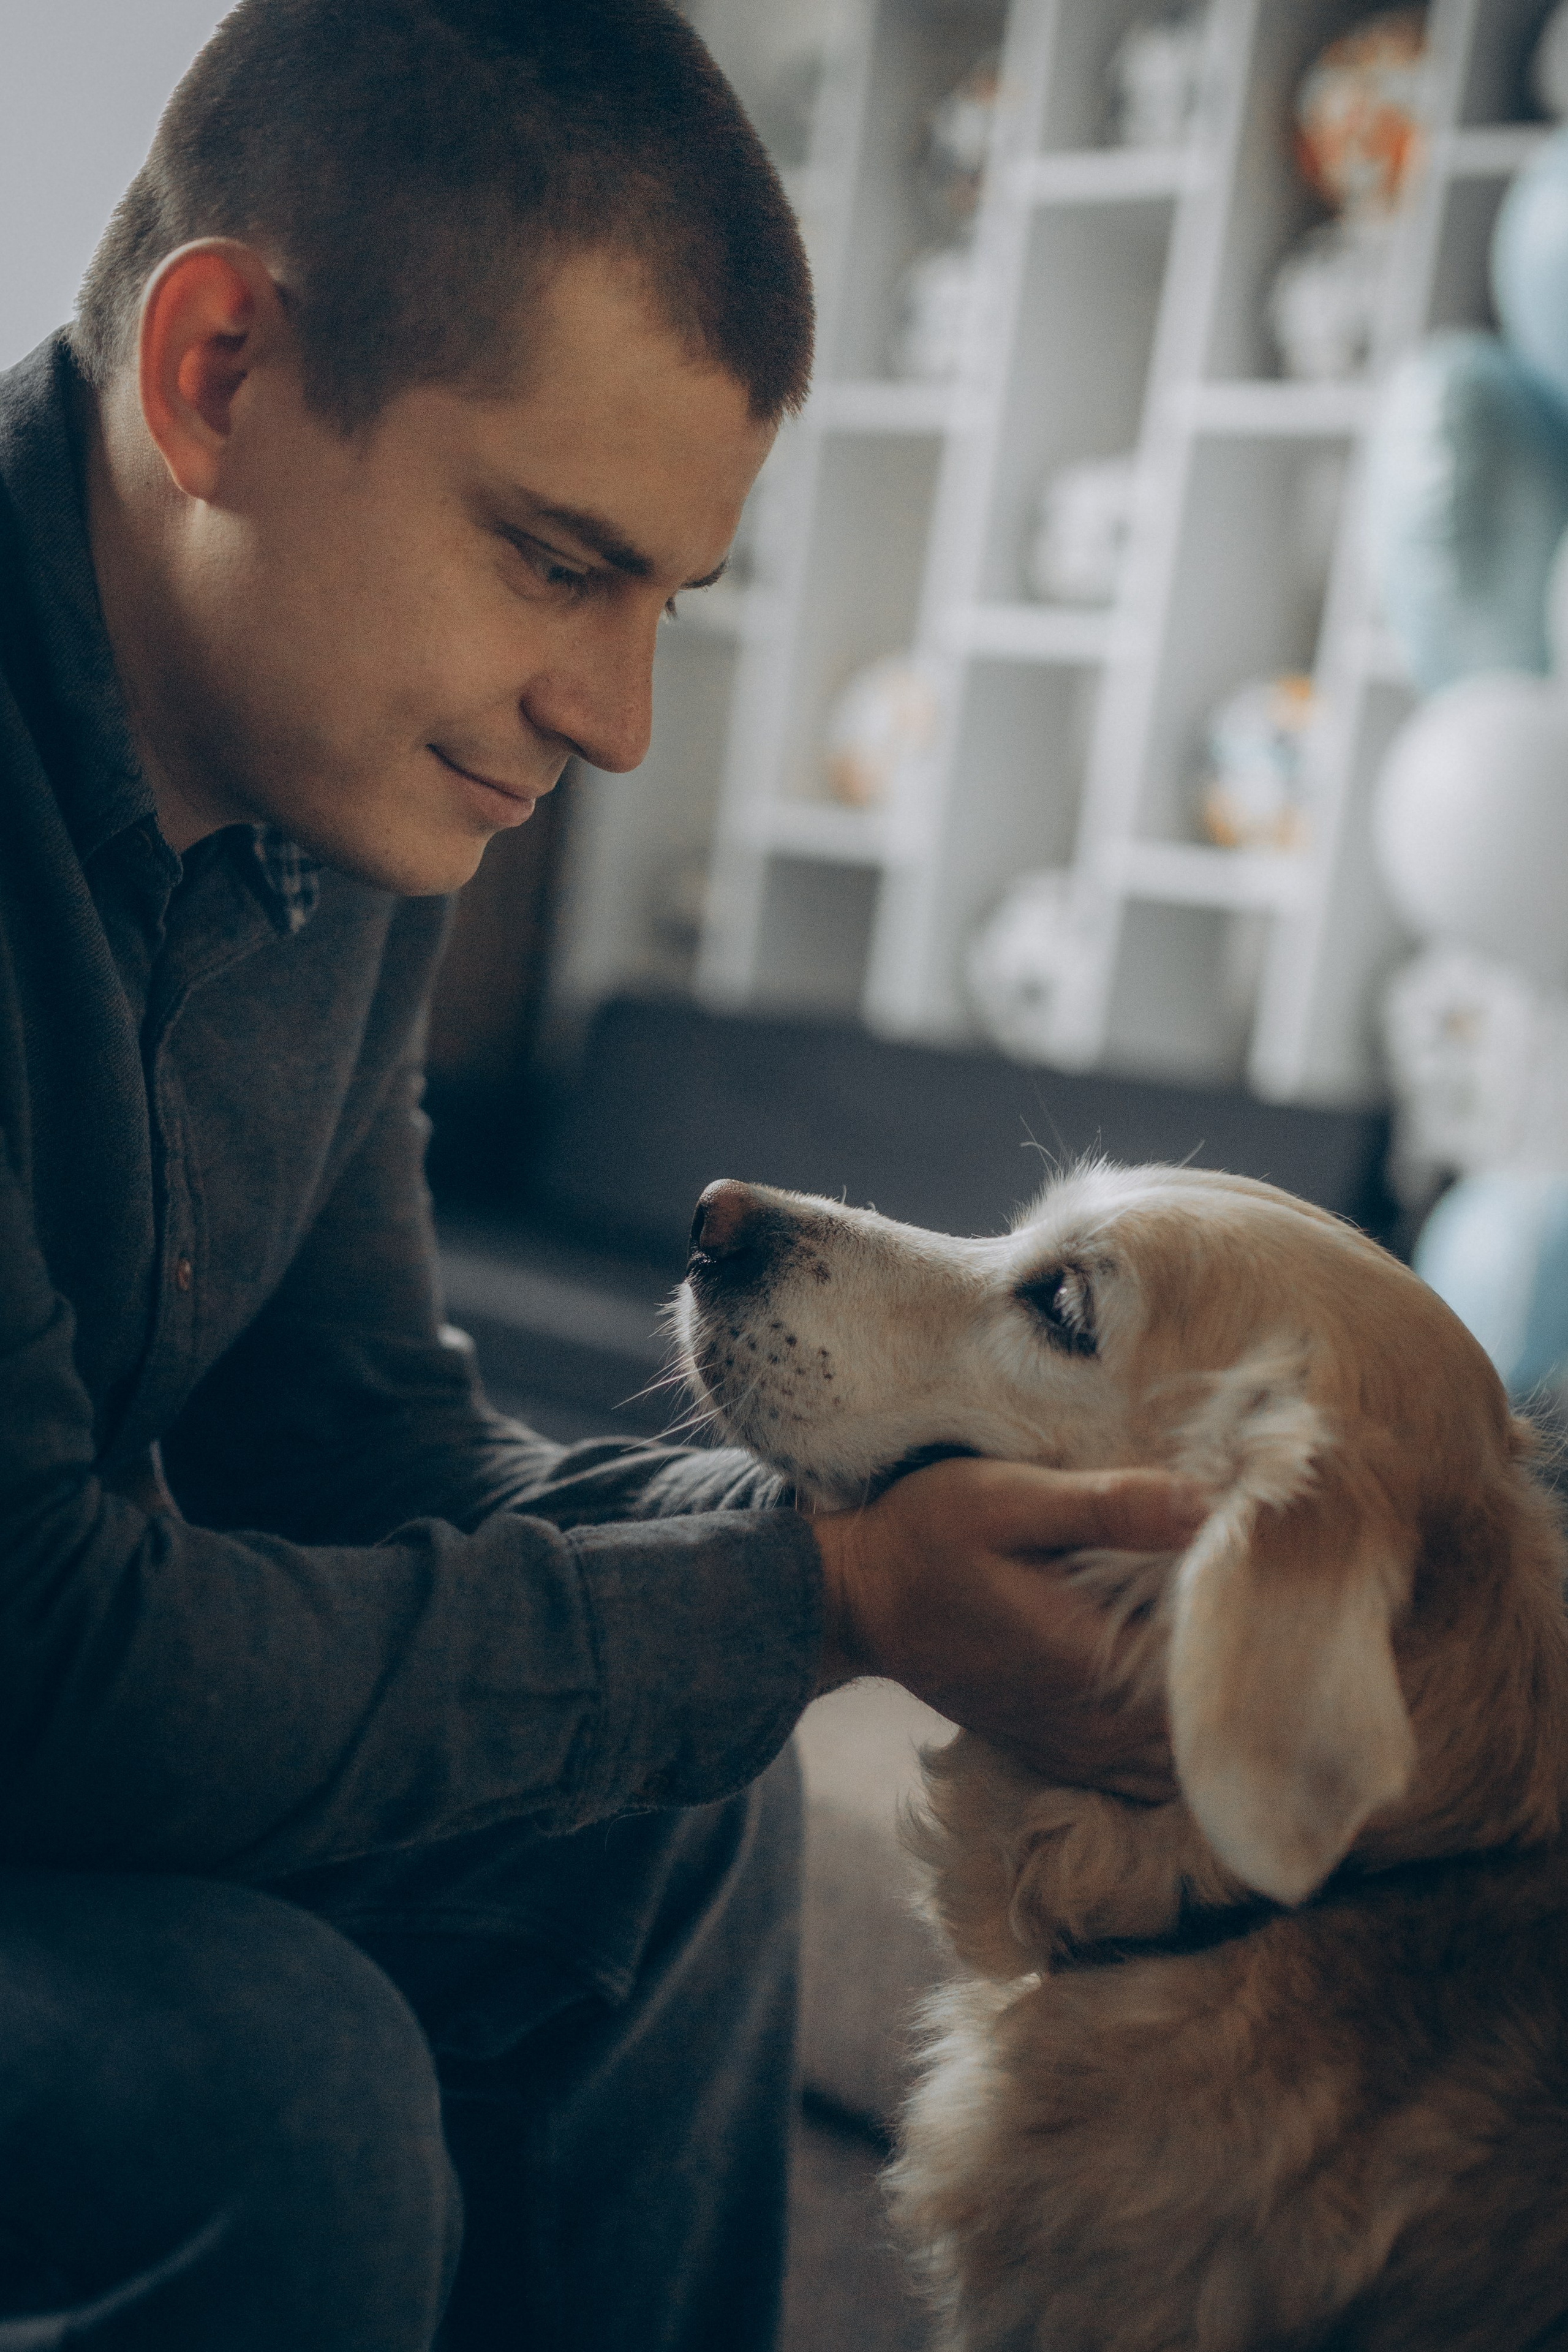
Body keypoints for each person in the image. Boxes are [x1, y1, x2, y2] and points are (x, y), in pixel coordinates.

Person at [0, 1, 1203, 2344]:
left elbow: (347, 1439)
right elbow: (49, 1668)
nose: (619, 720)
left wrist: (886, 1526)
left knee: (660, 1797)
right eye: (560, 563)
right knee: (280, 2078)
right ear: (218, 368)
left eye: (669, 599)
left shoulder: (338, 777)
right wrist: (828, 1606)